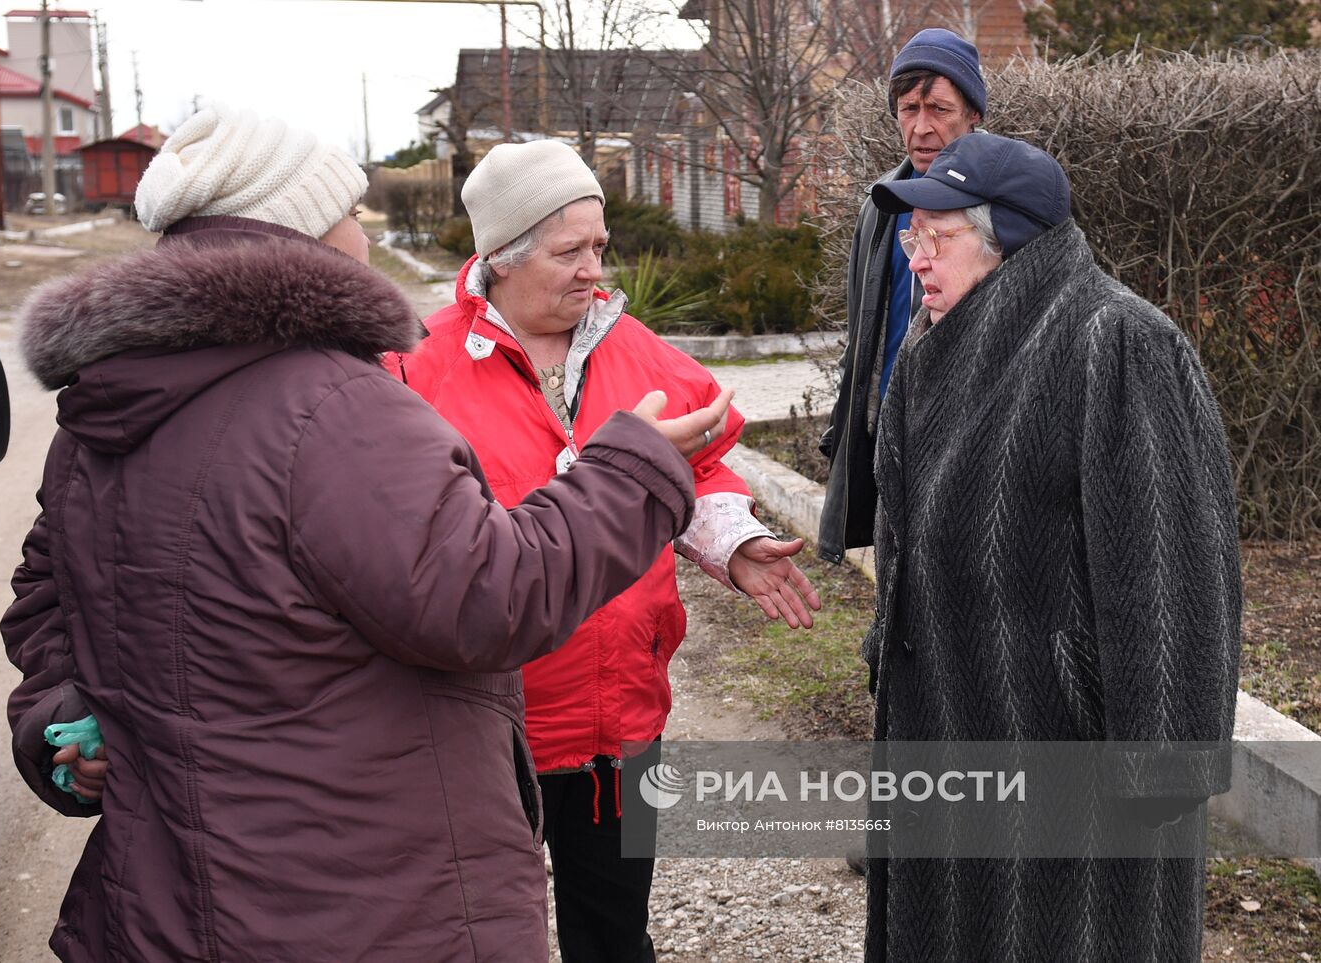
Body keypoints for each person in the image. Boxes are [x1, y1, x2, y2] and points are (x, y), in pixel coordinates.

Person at [1, 104, 734, 963]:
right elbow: (488, 596)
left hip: (172, 903)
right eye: (349, 210)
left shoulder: (105, 404)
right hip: (354, 902)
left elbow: (48, 599)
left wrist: (60, 715)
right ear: (303, 235)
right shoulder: (335, 407)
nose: (363, 231)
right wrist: (630, 472)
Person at [388, 139, 821, 963]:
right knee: (476, 937)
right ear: (503, 257)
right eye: (569, 251)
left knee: (614, 935)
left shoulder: (639, 351)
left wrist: (733, 540)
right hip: (482, 725)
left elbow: (699, 470)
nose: (595, 269)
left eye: (600, 246)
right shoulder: (413, 369)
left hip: (619, 719)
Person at [859, 132, 1242, 960]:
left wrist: (1162, 773)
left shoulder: (1118, 342)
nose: (916, 257)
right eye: (909, 235)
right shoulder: (932, 349)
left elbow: (1174, 577)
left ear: (1011, 237)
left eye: (937, 234)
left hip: (1073, 768)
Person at [818, 27, 986, 561]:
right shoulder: (880, 208)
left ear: (973, 116)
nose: (921, 127)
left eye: (939, 109)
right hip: (890, 440)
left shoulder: (1001, 211)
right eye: (908, 109)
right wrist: (842, 430)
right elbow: (862, 337)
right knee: (899, 605)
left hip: (970, 445)